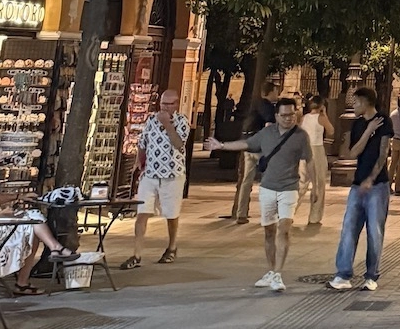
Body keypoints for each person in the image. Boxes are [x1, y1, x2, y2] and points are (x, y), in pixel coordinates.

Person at [207, 94, 314, 293]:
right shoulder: (267, 134)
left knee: (284, 228)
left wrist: (315, 185)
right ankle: (271, 271)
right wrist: (221, 146)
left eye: (292, 115)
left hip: (289, 188)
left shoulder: (301, 136)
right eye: (284, 115)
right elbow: (246, 144)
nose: (288, 118)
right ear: (276, 116)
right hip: (267, 188)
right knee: (269, 231)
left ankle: (279, 274)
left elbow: (309, 161)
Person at [0, 146, 77, 295]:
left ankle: (53, 250)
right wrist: (4, 215)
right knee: (33, 221)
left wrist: (17, 197)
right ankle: (52, 251)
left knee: (32, 225)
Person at [328, 88, 393, 291]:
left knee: (374, 232)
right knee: (349, 229)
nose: (354, 105)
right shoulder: (358, 124)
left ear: (366, 102)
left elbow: (383, 155)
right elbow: (352, 153)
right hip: (357, 185)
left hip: (378, 186)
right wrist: (367, 131)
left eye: (356, 102)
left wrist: (371, 179)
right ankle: (343, 274)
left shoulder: (384, 121)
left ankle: (371, 276)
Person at [121, 89, 190, 268]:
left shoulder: (182, 122)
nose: (165, 107)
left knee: (171, 214)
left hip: (172, 175)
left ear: (176, 105)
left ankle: (172, 247)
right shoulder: (151, 120)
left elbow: (179, 144)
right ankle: (136, 254)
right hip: (150, 174)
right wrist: (139, 162)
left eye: (169, 104)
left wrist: (168, 124)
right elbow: (143, 143)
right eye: (163, 103)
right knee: (142, 213)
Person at [233, 77, 283, 224]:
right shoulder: (268, 107)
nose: (277, 94)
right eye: (276, 91)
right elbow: (268, 125)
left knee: (247, 180)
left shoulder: (254, 105)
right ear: (271, 91)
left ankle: (241, 213)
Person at [301, 94, 334, 228]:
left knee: (301, 182)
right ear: (321, 105)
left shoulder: (303, 118)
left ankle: (289, 211)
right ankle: (314, 216)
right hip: (317, 150)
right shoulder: (321, 118)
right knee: (319, 183)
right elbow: (331, 131)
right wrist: (325, 114)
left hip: (304, 150)